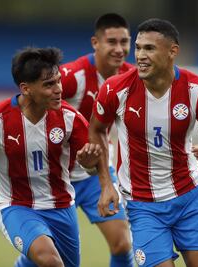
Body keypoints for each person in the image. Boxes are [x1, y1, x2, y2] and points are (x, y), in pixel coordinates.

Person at [90, 18, 198, 267]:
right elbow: (97, 131)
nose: (140, 56)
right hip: (142, 204)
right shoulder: (116, 89)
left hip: (189, 196)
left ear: (172, 51)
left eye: (150, 48)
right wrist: (106, 184)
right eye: (139, 48)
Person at [0, 47, 102, 267]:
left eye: (58, 81)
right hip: (15, 205)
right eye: (49, 84)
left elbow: (94, 161)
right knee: (50, 260)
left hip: (61, 206)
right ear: (26, 88)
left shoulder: (70, 118)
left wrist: (90, 166)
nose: (59, 89)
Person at [62, 13, 135, 267]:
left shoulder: (132, 78)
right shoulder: (72, 77)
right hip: (55, 178)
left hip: (95, 175)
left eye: (124, 42)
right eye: (111, 42)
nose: (119, 49)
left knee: (123, 243)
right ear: (95, 43)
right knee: (49, 257)